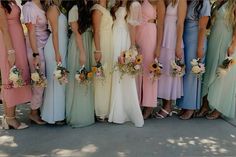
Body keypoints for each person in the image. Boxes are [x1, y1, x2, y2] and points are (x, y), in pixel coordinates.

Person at [198, 0, 236, 120]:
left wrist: (233, 44)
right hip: (213, 40)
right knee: (209, 71)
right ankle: (205, 105)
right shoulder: (216, 3)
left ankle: (219, 108)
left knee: (222, 75)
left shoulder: (233, 4)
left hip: (226, 42)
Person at [108, 0, 144, 127]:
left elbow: (133, 27)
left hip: (123, 38)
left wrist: (132, 46)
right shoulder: (116, 3)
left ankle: (123, 110)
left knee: (123, 72)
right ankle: (114, 108)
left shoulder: (134, 5)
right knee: (115, 71)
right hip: (113, 37)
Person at [0, 0, 32, 129]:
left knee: (16, 77)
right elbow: (4, 28)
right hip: (9, 43)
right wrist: (10, 51)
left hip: (18, 41)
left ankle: (10, 116)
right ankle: (10, 119)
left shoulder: (11, 1)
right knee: (10, 76)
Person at [177, 0, 211, 120]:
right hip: (186, 36)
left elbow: (203, 27)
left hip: (196, 39)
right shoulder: (191, 1)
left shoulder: (204, 2)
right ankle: (184, 105)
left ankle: (191, 108)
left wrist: (200, 47)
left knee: (192, 73)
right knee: (185, 73)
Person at [66, 0, 95, 127]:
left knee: (87, 78)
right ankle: (78, 115)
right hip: (79, 45)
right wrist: (82, 52)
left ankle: (87, 112)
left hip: (88, 43)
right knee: (79, 77)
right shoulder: (74, 9)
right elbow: (76, 33)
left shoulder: (88, 8)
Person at [156, 0, 186, 119]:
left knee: (170, 72)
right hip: (163, 38)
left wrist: (178, 45)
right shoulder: (164, 1)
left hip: (173, 40)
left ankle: (168, 106)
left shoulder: (181, 1)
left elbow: (180, 23)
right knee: (163, 72)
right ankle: (164, 104)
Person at [136, 0, 165, 119]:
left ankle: (149, 105)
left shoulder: (158, 1)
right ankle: (138, 102)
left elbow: (161, 24)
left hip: (150, 34)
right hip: (138, 34)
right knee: (137, 70)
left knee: (149, 70)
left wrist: (158, 47)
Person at [40, 0, 68, 124]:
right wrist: (57, 53)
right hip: (54, 48)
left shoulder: (58, 8)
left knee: (60, 80)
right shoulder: (52, 9)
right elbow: (55, 32)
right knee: (55, 80)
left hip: (61, 45)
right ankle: (53, 116)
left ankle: (59, 113)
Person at [22, 0, 49, 124]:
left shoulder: (43, 4)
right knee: (39, 81)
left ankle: (41, 110)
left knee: (43, 80)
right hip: (35, 48)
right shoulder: (29, 7)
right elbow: (31, 32)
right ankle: (33, 112)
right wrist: (35, 55)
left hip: (45, 45)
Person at [91, 0, 113, 121]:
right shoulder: (97, 9)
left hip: (108, 44)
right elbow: (96, 32)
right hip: (101, 45)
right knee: (100, 79)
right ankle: (99, 110)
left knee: (107, 77)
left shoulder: (106, 8)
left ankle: (106, 108)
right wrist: (98, 50)